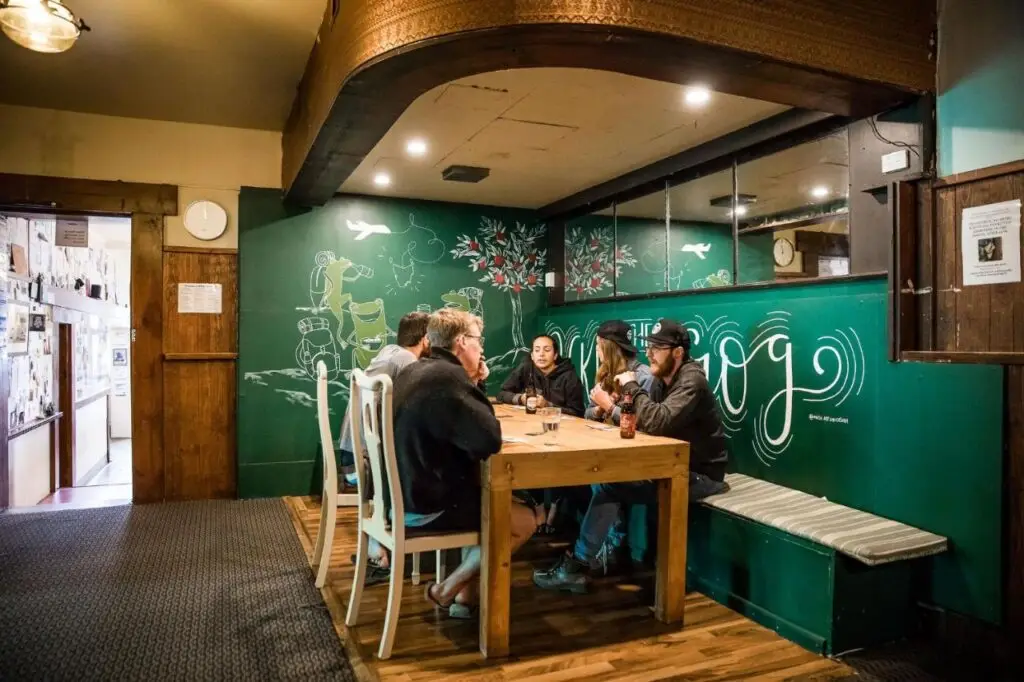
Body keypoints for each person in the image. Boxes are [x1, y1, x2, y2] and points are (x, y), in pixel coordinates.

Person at [534, 318, 730, 594]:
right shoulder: (664, 379)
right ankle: (588, 558)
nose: (648, 352)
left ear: (678, 352)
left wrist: (629, 388)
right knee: (608, 478)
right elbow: (642, 422)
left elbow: (655, 421)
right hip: (669, 462)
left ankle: (579, 564)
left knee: (610, 484)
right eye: (649, 346)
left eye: (657, 348)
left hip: (698, 473)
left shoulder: (691, 380)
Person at [392, 309, 542, 618]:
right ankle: (447, 590)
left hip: (403, 496)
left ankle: (466, 599)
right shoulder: (449, 378)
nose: (482, 348)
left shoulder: (416, 370)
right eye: (478, 340)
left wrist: (471, 382)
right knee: (524, 520)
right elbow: (489, 440)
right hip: (426, 506)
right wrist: (474, 382)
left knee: (483, 500)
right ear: (461, 341)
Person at [338, 311, 430, 585]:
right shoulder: (407, 362)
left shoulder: (389, 352)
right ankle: (388, 548)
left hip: (351, 455)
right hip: (365, 464)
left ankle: (379, 546)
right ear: (426, 339)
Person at [496, 334, 586, 417]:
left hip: (559, 427)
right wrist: (521, 399)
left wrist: (548, 405)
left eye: (547, 350)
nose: (541, 354)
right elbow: (501, 394)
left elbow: (578, 413)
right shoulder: (526, 368)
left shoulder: (569, 377)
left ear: (555, 355)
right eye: (537, 350)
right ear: (532, 356)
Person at [585, 320, 654, 424]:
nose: (596, 348)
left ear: (609, 348)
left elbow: (644, 421)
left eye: (598, 344)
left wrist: (610, 407)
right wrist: (599, 410)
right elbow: (587, 414)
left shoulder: (644, 376)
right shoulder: (606, 373)